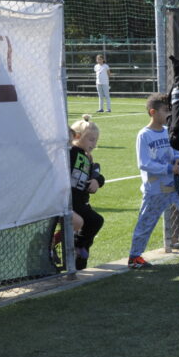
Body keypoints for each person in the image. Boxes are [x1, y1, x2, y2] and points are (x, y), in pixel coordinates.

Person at [127, 93, 179, 269]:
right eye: (165, 111)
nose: (169, 114)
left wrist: (177, 159)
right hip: (155, 190)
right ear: (153, 112)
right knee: (146, 222)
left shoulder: (168, 130)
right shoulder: (144, 135)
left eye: (170, 110)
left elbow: (175, 150)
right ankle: (135, 257)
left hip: (176, 187)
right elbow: (144, 163)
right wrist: (168, 168)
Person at [69, 115, 105, 270]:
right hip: (71, 200)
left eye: (96, 140)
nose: (94, 144)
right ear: (77, 137)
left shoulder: (87, 157)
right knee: (95, 220)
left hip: (82, 201)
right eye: (91, 139)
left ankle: (80, 258)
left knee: (93, 222)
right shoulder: (71, 152)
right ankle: (78, 244)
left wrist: (97, 180)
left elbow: (96, 174)